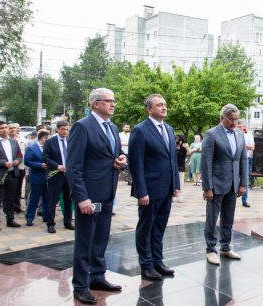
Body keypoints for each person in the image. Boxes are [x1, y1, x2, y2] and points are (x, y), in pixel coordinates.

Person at [67, 88, 126, 305]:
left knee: (101, 238)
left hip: (108, 192)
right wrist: (81, 197)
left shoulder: (111, 127)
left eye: (114, 101)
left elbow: (112, 154)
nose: (113, 104)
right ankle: (80, 286)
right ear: (95, 104)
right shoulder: (82, 127)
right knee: (85, 242)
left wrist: (120, 160)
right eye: (108, 101)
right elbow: (74, 166)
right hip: (89, 196)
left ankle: (97, 277)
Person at [129, 94, 180, 281]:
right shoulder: (140, 131)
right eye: (159, 105)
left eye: (165, 105)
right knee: (146, 228)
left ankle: (158, 261)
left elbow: (172, 159)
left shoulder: (168, 128)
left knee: (159, 227)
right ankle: (147, 265)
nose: (164, 108)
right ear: (149, 109)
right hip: (149, 191)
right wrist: (141, 191)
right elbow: (136, 164)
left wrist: (176, 185)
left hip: (166, 189)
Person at [202, 104, 247, 266]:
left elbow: (242, 161)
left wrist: (243, 184)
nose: (234, 123)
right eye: (231, 119)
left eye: (236, 119)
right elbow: (206, 162)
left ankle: (226, 247)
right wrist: (207, 187)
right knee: (212, 219)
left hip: (233, 185)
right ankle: (210, 250)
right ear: (222, 118)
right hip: (216, 184)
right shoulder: (211, 134)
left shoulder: (240, 135)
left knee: (228, 218)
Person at [0, 121, 22, 231]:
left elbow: (20, 155)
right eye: (2, 128)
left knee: (10, 198)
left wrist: (17, 161)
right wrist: (3, 163)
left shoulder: (14, 142)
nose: (5, 129)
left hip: (12, 174)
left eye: (6, 127)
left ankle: (10, 219)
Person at [43, 120, 74, 233]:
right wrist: (57, 166)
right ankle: (50, 223)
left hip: (68, 175)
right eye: (63, 129)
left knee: (68, 199)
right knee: (53, 200)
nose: (65, 131)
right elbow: (45, 157)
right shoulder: (50, 142)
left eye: (67, 129)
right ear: (58, 129)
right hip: (55, 175)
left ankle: (68, 221)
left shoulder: (70, 141)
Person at [24, 130, 50, 226]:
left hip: (48, 177)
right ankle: (29, 218)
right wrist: (40, 165)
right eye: (47, 138)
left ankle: (46, 216)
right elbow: (27, 161)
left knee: (47, 198)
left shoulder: (48, 147)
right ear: (42, 138)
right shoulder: (32, 147)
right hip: (37, 176)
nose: (48, 140)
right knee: (34, 199)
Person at [8, 123, 27, 214]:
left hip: (21, 166)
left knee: (18, 188)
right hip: (10, 167)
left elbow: (26, 153)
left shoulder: (22, 139)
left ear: (17, 129)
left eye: (14, 128)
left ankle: (17, 206)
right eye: (10, 128)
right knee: (10, 188)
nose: (12, 130)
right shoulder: (6, 140)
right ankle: (9, 207)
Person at [239, 125, 254, 207]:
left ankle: (244, 200)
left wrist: (242, 146)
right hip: (235, 160)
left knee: (245, 179)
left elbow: (252, 147)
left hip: (245, 159)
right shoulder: (234, 133)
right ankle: (231, 199)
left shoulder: (249, 135)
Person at [175, 135, 190, 202]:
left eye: (179, 140)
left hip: (181, 166)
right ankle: (173, 194)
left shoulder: (184, 147)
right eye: (176, 140)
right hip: (173, 166)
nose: (177, 141)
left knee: (180, 181)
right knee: (173, 181)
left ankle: (179, 195)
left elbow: (189, 153)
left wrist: (187, 147)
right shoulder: (173, 146)